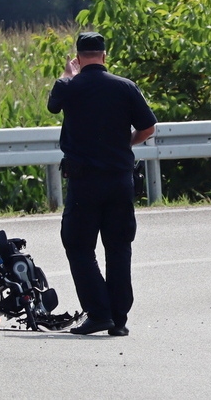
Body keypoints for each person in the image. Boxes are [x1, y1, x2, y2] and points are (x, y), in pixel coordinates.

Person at [48, 32, 157, 336]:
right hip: (120, 180)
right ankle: (118, 319)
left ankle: (99, 313)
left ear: (78, 57)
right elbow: (148, 127)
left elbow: (53, 106)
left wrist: (67, 75)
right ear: (105, 56)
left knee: (78, 245)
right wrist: (126, 143)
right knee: (119, 247)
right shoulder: (125, 87)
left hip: (84, 183)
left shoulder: (69, 86)